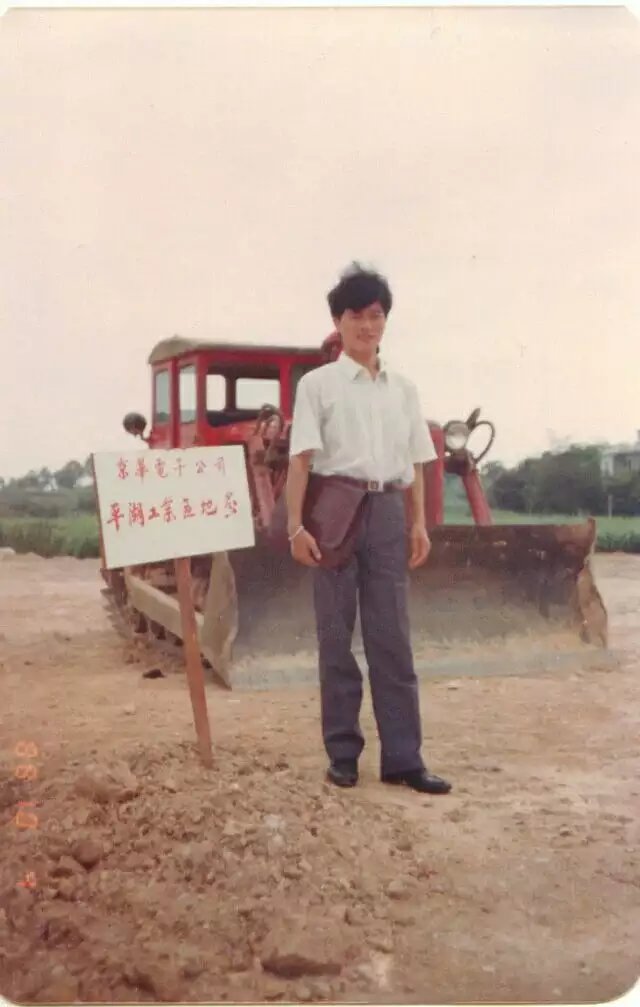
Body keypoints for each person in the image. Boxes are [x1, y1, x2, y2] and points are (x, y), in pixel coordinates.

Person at [286, 263, 451, 794]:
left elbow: (417, 461)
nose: (366, 325)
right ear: (338, 322)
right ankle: (343, 755)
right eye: (355, 315)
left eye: (375, 315)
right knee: (336, 637)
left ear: (385, 321)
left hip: (387, 514)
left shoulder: (403, 389)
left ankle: (404, 758)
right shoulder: (317, 385)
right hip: (334, 512)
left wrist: (419, 523)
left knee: (392, 639)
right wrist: (295, 527)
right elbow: (301, 459)